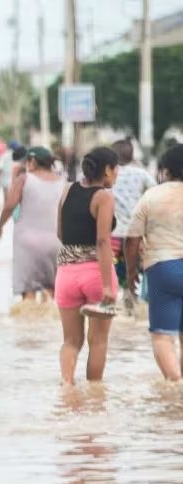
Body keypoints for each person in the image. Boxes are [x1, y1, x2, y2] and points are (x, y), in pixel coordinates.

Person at [54, 146, 119, 385]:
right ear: (108, 170)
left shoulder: (67, 189)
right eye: (116, 169)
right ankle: (94, 398)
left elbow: (60, 233)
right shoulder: (104, 196)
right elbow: (103, 241)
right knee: (98, 342)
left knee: (71, 341)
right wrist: (107, 287)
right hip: (95, 274)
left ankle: (67, 387)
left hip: (66, 275)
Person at [124, 145, 183, 381]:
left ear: (165, 170)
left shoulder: (152, 196)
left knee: (162, 335)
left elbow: (132, 239)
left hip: (163, 267)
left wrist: (131, 272)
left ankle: (176, 385)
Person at [0, 146, 65, 301]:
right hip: (56, 242)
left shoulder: (24, 179)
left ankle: (28, 324)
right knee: (52, 291)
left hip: (27, 244)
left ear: (32, 161)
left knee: (28, 293)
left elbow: (9, 206)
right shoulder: (63, 181)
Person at [110, 139, 157, 304]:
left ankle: (113, 298)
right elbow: (155, 193)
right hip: (135, 234)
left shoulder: (108, 174)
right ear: (131, 156)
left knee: (112, 269)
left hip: (112, 234)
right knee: (134, 269)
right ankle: (131, 298)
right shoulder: (141, 174)